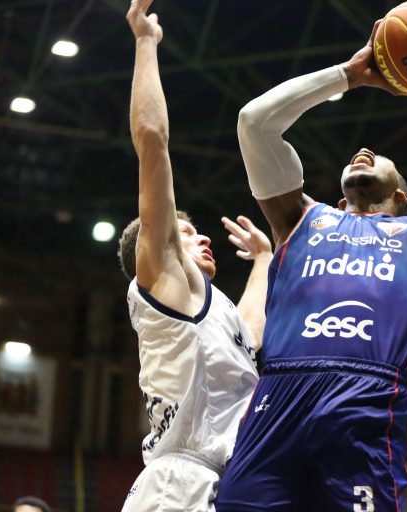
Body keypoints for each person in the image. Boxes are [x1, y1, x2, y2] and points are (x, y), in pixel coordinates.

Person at [215, 11, 407, 512]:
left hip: (362, 402)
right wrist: (349, 75)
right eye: (359, 154)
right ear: (339, 201)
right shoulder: (300, 219)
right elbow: (254, 122)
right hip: (278, 397)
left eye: (379, 156)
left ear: (402, 195)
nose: (363, 150)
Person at [117, 1, 272, 510]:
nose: (202, 238)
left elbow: (250, 335)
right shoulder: (165, 282)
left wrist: (264, 260)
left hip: (222, 483)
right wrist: (146, 42)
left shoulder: (212, 309)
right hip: (175, 486)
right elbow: (152, 140)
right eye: (185, 234)